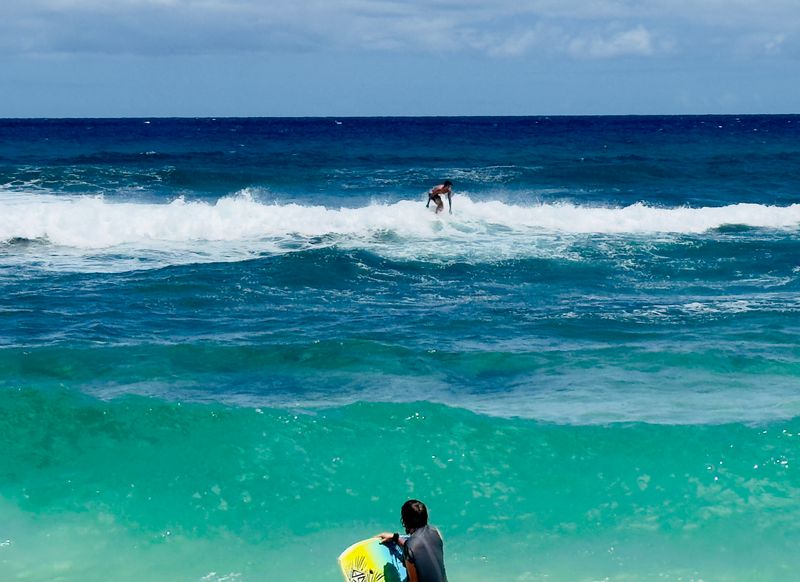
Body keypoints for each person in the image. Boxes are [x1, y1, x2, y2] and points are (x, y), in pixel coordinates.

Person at [378, 499, 448, 582]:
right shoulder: (436, 532)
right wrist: (396, 537)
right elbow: (421, 549)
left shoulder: (410, 548)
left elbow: (413, 581)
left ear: (405, 521)